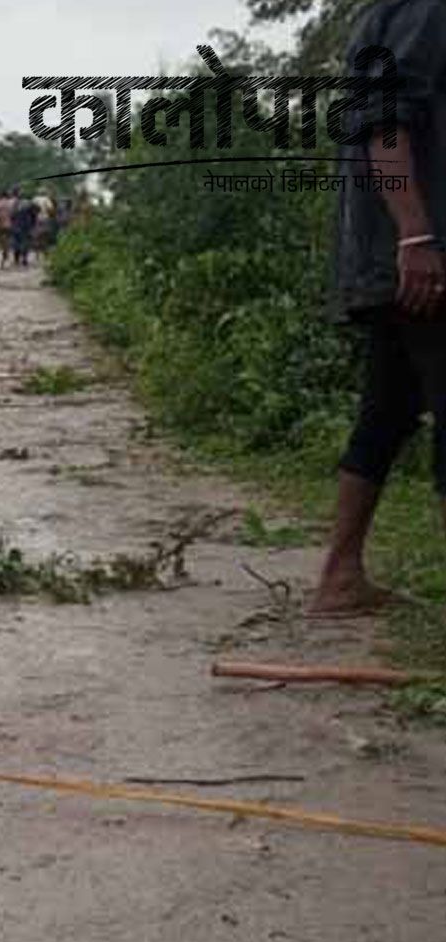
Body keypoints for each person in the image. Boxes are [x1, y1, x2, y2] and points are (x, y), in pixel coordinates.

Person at [310, 0, 446, 616]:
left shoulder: (389, 11)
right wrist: (415, 235)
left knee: (387, 410)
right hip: (420, 252)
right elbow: (384, 125)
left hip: (390, 254)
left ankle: (340, 576)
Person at [10, 189, 38, 268]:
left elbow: (12, 215)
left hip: (16, 225)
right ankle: (24, 259)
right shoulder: (30, 203)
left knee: (16, 242)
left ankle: (16, 260)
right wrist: (33, 224)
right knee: (25, 242)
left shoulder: (15, 204)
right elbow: (34, 215)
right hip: (26, 226)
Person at [0, 187, 17, 268]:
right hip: (8, 224)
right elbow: (13, 214)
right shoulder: (10, 204)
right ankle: (6, 257)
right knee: (7, 242)